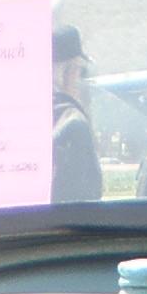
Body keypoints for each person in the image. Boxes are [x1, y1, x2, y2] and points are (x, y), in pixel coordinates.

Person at [51, 27, 102, 204]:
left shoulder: (19, 116)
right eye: (82, 72)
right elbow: (84, 203)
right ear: (70, 71)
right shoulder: (73, 123)